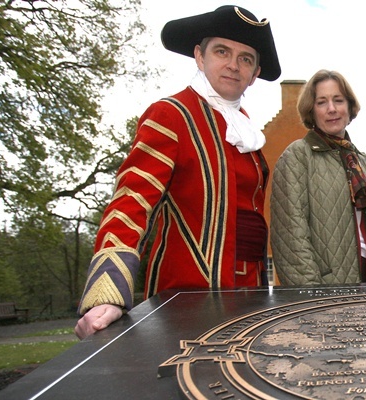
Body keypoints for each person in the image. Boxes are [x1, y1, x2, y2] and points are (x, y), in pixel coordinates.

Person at [75, 5, 281, 339]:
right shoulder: (171, 114)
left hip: (250, 291)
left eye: (245, 58)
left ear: (255, 73)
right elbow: (131, 203)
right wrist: (108, 293)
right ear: (200, 57)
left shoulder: (246, 130)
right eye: (222, 51)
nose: (233, 64)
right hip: (188, 294)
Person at [270, 70, 366, 285]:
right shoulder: (298, 155)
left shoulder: (357, 161)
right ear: (311, 110)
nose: (332, 109)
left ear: (349, 107)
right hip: (325, 294)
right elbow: (291, 240)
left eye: (338, 100)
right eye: (321, 102)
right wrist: (313, 299)